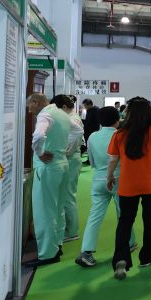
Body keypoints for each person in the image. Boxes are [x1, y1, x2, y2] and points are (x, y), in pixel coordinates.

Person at [107, 97, 151, 280]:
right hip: (150, 184)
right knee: (150, 221)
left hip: (128, 184)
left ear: (128, 113)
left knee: (125, 221)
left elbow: (113, 160)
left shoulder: (119, 134)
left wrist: (109, 177)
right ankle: (147, 257)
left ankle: (121, 258)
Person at [75, 107, 137, 268]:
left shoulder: (92, 136)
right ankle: (129, 242)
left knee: (95, 215)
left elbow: (92, 161)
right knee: (123, 214)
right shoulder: (122, 135)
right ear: (117, 119)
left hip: (98, 179)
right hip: (119, 179)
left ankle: (86, 251)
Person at [25, 94, 78, 267]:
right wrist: (66, 148)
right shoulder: (62, 114)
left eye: (29, 106)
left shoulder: (45, 115)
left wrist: (39, 152)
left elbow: (39, 136)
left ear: (36, 102)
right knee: (58, 207)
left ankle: (48, 253)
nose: (29, 110)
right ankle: (57, 245)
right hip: (62, 164)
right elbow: (78, 131)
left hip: (47, 167)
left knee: (44, 210)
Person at [62, 98, 85, 243]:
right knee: (66, 195)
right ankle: (69, 229)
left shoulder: (73, 120)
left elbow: (72, 144)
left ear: (64, 107)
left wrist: (62, 152)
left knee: (68, 195)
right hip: (70, 158)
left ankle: (71, 231)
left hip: (71, 159)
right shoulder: (71, 118)